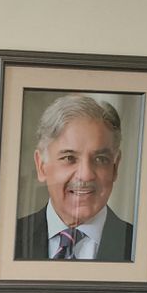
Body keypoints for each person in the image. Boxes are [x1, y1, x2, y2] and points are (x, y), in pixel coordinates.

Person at [15, 94, 133, 261]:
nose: (86, 174)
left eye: (100, 159)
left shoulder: (141, 247)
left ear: (115, 167)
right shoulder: (7, 240)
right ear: (41, 166)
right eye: (69, 158)